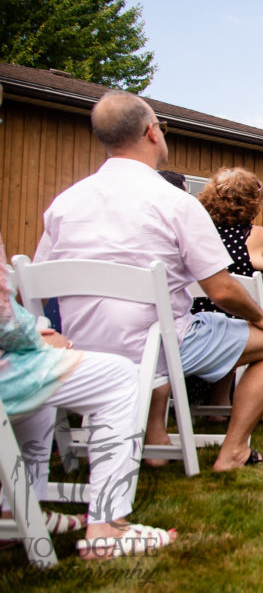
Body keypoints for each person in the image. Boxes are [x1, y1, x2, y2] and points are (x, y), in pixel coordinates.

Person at [36, 91, 263, 471]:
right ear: (152, 132)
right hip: (157, 348)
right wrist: (261, 317)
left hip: (82, 348)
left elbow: (37, 284)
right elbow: (220, 290)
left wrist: (45, 331)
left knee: (151, 324)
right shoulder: (175, 203)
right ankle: (234, 451)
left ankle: (154, 437)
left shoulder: (66, 202)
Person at [1, 234, 176, 559]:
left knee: (45, 378)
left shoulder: (62, 207)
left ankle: (14, 509)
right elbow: (3, 317)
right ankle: (108, 526)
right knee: (120, 375)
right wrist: (36, 338)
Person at [190, 167, 263, 411]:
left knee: (228, 318)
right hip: (239, 317)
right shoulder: (258, 236)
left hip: (193, 319)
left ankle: (218, 401)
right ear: (253, 202)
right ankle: (256, 408)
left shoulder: (196, 231)